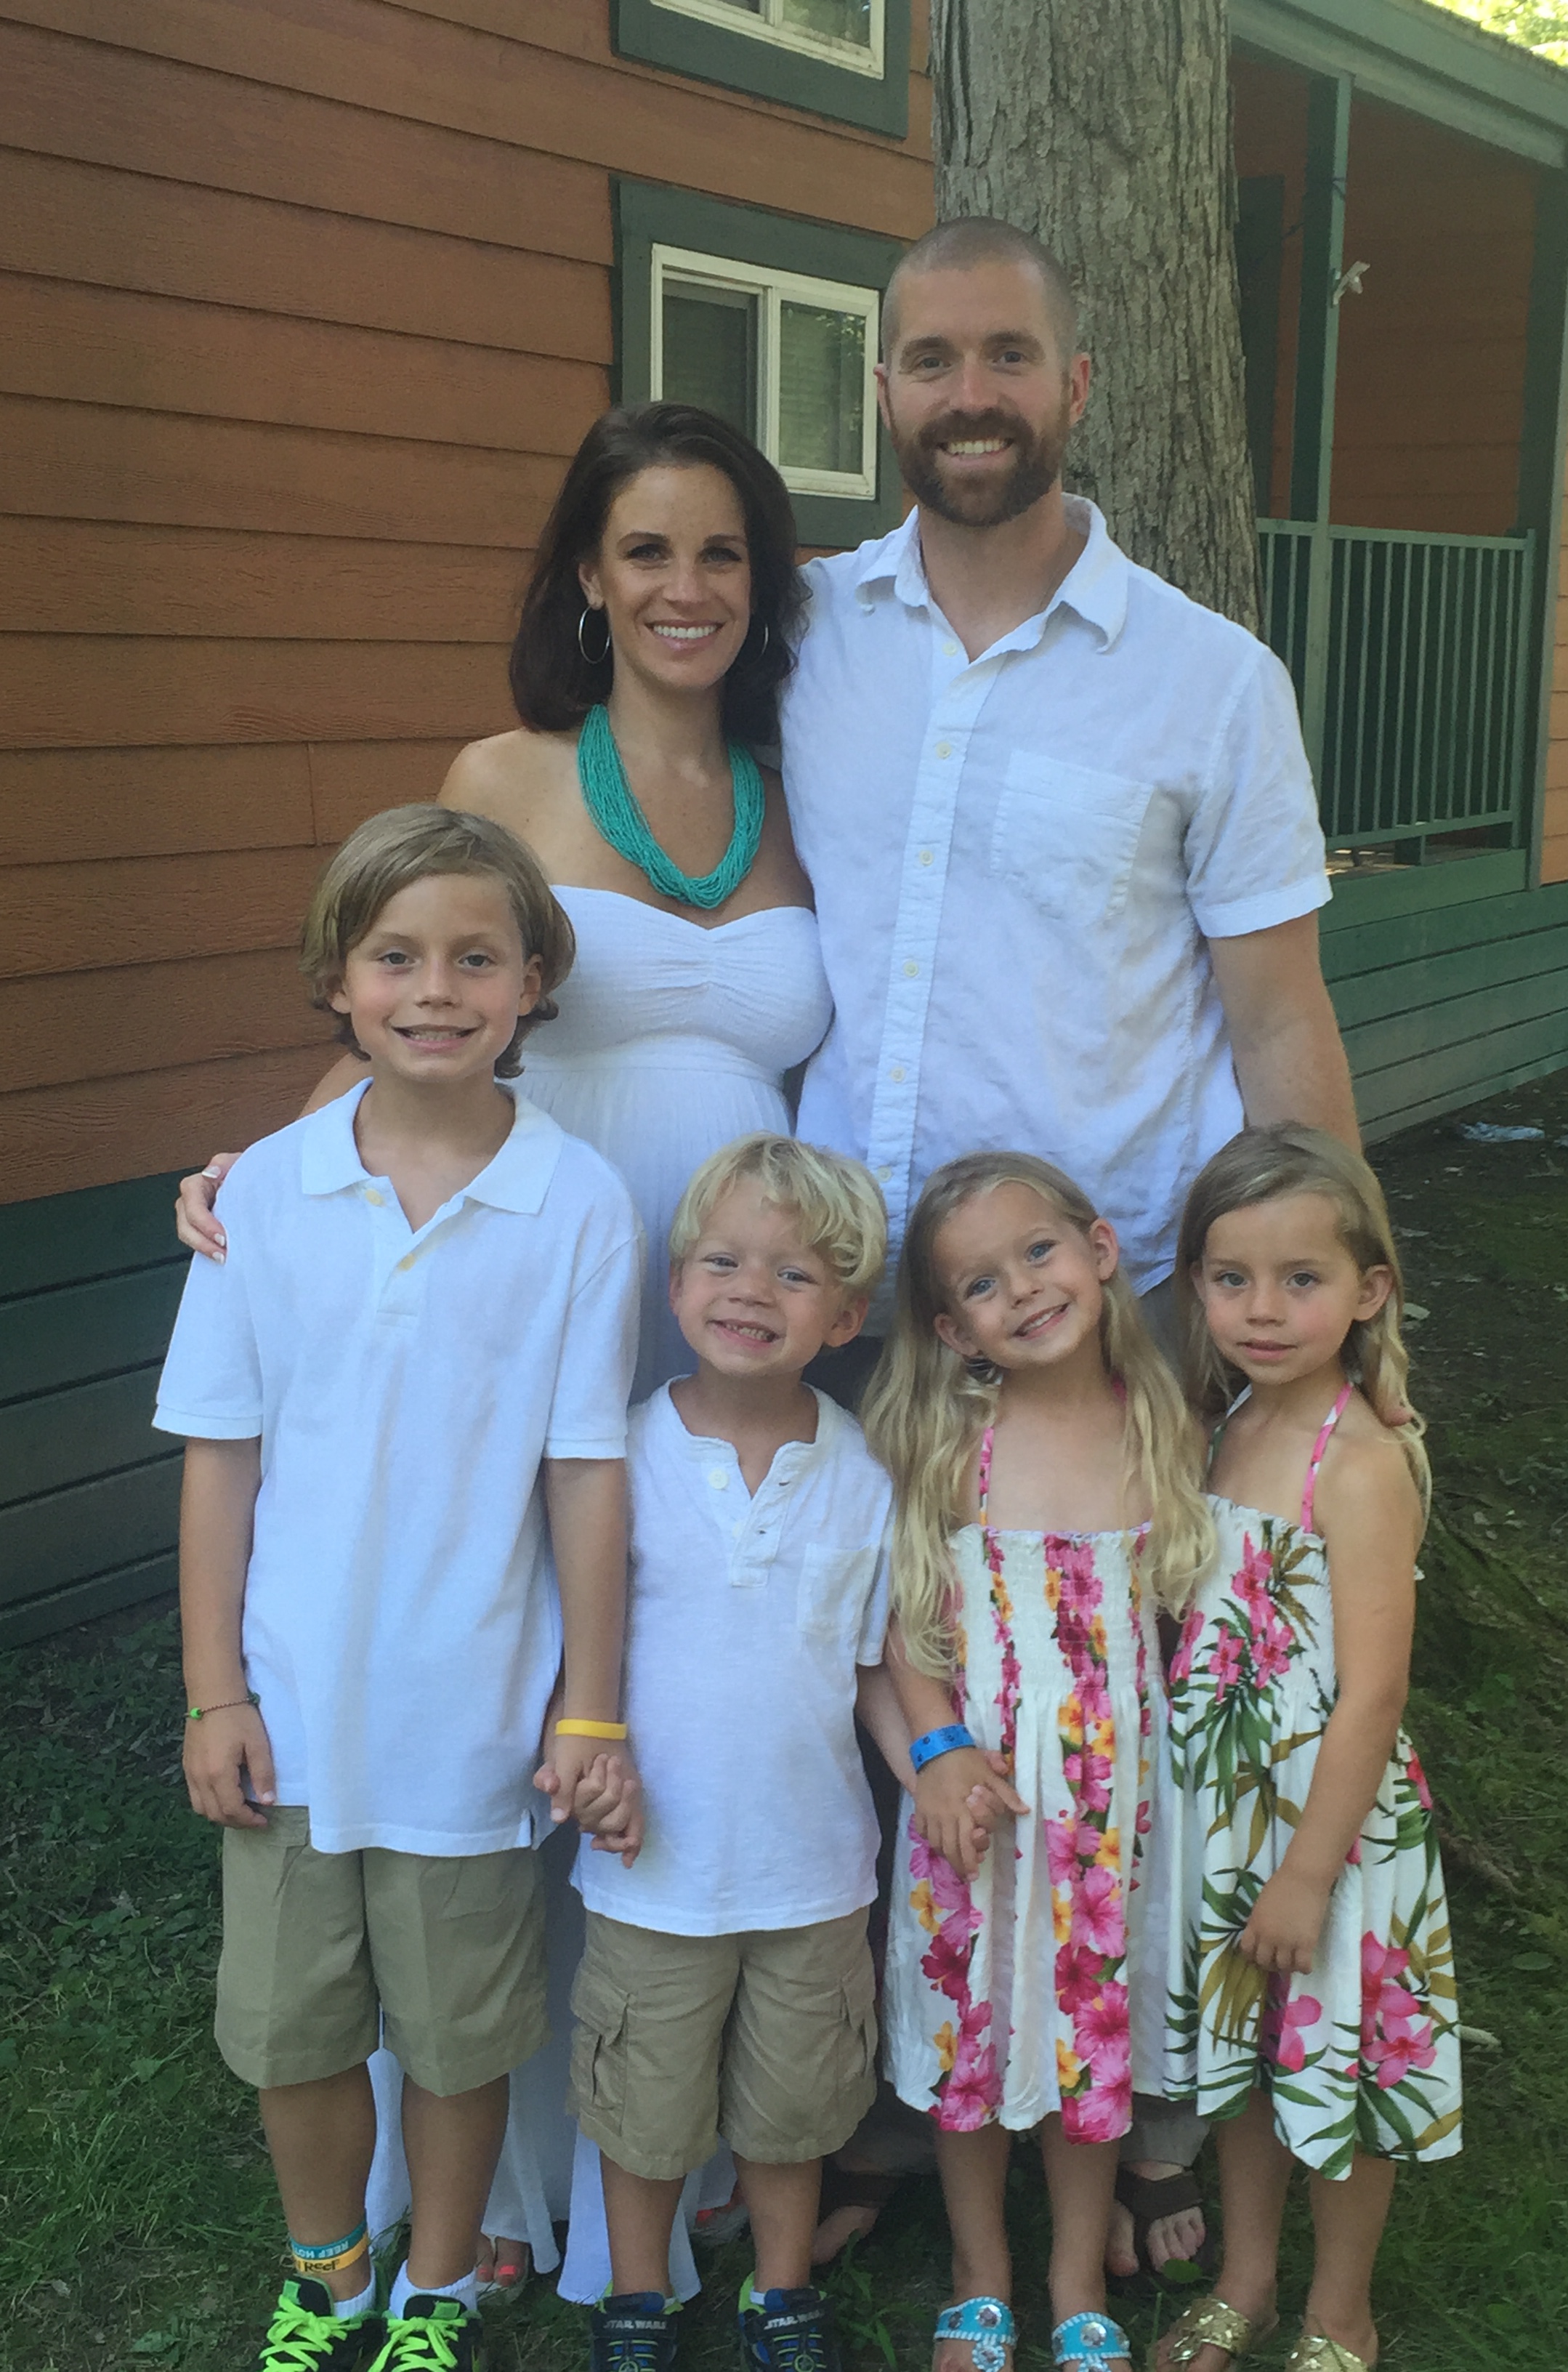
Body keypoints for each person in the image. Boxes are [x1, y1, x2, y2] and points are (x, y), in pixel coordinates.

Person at [172, 401, 830, 2294]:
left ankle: (659, 2141)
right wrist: (261, 1174)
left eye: (722, 551)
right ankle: (484, 2203)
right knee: (464, 1657)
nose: (687, 587)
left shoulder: (806, 787)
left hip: (718, 1301)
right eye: (647, 551)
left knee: (653, 1690)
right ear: (587, 581)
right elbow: (414, 983)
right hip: (508, 1265)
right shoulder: (508, 769)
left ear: (762, 582)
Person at [785, 213, 1355, 2270]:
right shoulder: (805, 633)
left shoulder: (1209, 680)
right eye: (932, 359)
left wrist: (1339, 1313)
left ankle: (1160, 2103)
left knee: (1140, 1710)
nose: (971, 396)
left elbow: (1277, 1013)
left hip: (1109, 1311)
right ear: (885, 388)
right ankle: (893, 2096)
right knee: (888, 1687)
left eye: (1008, 356)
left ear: (1077, 384)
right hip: (856, 1303)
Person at [155, 805, 643, 2372]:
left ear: (533, 982)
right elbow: (221, 1458)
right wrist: (215, 1693)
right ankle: (328, 2279)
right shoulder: (264, 1195)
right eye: (396, 957)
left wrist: (589, 1706)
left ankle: (437, 2288)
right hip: (290, 1715)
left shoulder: (580, 1204)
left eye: (476, 958)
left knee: (455, 2038)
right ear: (338, 979)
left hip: (471, 1722)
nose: (437, 990)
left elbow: (586, 1470)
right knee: (293, 2033)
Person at [862, 1151, 1216, 2372]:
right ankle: (981, 2276)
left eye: (1038, 1253)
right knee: (970, 2040)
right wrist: (939, 1753)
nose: (1020, 1289)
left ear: (1101, 1251)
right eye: (981, 1283)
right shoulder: (948, 1443)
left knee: (1090, 2047)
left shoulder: (1161, 1428)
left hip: (1112, 1817)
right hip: (978, 1804)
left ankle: (1073, 2280)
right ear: (951, 1330)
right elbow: (903, 1627)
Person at [567, 1134, 910, 2372]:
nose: (752, 1292)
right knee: (643, 2102)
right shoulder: (612, 1457)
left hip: (814, 1869)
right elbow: (572, 1651)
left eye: (796, 1275)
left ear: (846, 1318)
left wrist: (931, 1765)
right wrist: (583, 1765)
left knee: (794, 2105)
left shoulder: (867, 1473)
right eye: (722, 1262)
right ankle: (637, 2296)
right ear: (674, 1288)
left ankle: (782, 2291)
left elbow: (870, 1665)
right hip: (652, 1869)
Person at [1149, 1126, 1460, 2372]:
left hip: (1325, 1828)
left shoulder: (1362, 1461)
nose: (1264, 1310)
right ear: (1197, 1285)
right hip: (1225, 1817)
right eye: (1233, 1280)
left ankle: (1342, 2315)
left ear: (1370, 1289)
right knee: (1243, 2061)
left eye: (1301, 1280)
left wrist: (1309, 1874)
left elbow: (1374, 1693)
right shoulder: (1223, 1422)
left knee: (1339, 2069)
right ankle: (1247, 2282)